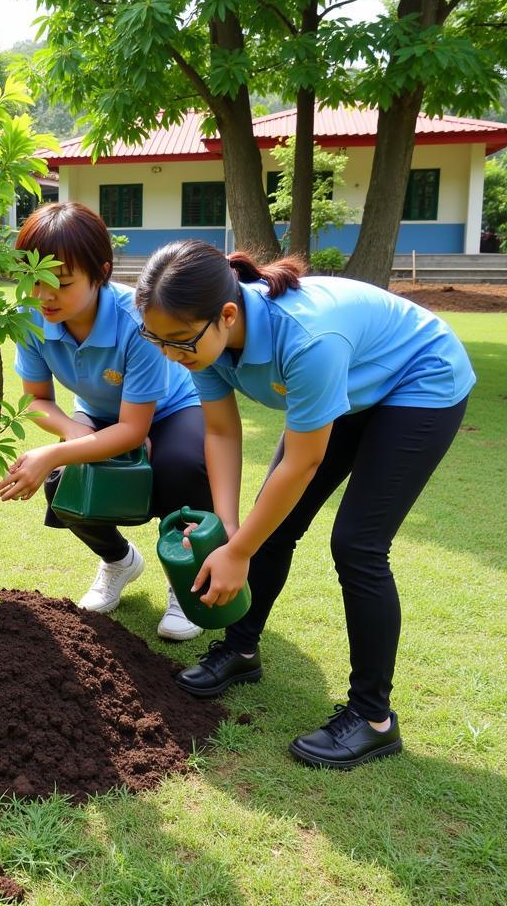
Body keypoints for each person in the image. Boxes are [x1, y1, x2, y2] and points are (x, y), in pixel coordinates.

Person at [135, 239, 475, 769]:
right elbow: (222, 432)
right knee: (267, 525)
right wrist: (228, 529)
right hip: (354, 382)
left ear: (227, 315)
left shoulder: (306, 338)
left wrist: (240, 551)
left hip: (418, 380)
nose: (168, 353)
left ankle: (373, 719)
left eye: (177, 341)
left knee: (357, 545)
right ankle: (241, 650)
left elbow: (302, 463)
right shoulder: (201, 339)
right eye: (155, 339)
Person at [0, 202, 210, 640]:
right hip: (96, 414)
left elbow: (134, 429)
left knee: (183, 469)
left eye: (62, 283)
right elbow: (36, 400)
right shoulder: (32, 320)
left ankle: (184, 583)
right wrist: (74, 433)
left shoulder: (138, 320)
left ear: (102, 273)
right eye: (32, 280)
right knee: (62, 482)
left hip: (169, 410)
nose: (44, 296)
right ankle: (119, 561)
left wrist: (53, 450)